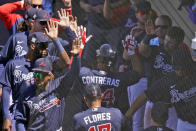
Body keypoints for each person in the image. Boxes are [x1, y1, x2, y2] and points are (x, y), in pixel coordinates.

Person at [1, 19, 70, 131]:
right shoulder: (13, 64)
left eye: (47, 45)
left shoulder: (49, 61)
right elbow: (6, 91)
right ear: (32, 46)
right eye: (42, 46)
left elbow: (66, 62)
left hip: (41, 109)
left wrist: (55, 40)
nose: (46, 49)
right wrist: (6, 117)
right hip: (19, 111)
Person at [18, 37, 81, 131]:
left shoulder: (59, 86)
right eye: (36, 73)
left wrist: (76, 56)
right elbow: (20, 120)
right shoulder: (26, 94)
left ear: (50, 75)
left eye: (42, 74)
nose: (38, 77)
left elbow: (73, 73)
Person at [126, 49, 196, 131]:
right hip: (185, 124)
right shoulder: (169, 80)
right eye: (177, 68)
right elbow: (145, 95)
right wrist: (128, 115)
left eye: (182, 68)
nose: (180, 71)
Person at [76, 43, 142, 115]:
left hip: (87, 118)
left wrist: (77, 53)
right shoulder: (119, 78)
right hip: (110, 119)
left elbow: (70, 72)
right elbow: (138, 72)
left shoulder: (85, 73)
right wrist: (132, 51)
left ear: (98, 58)